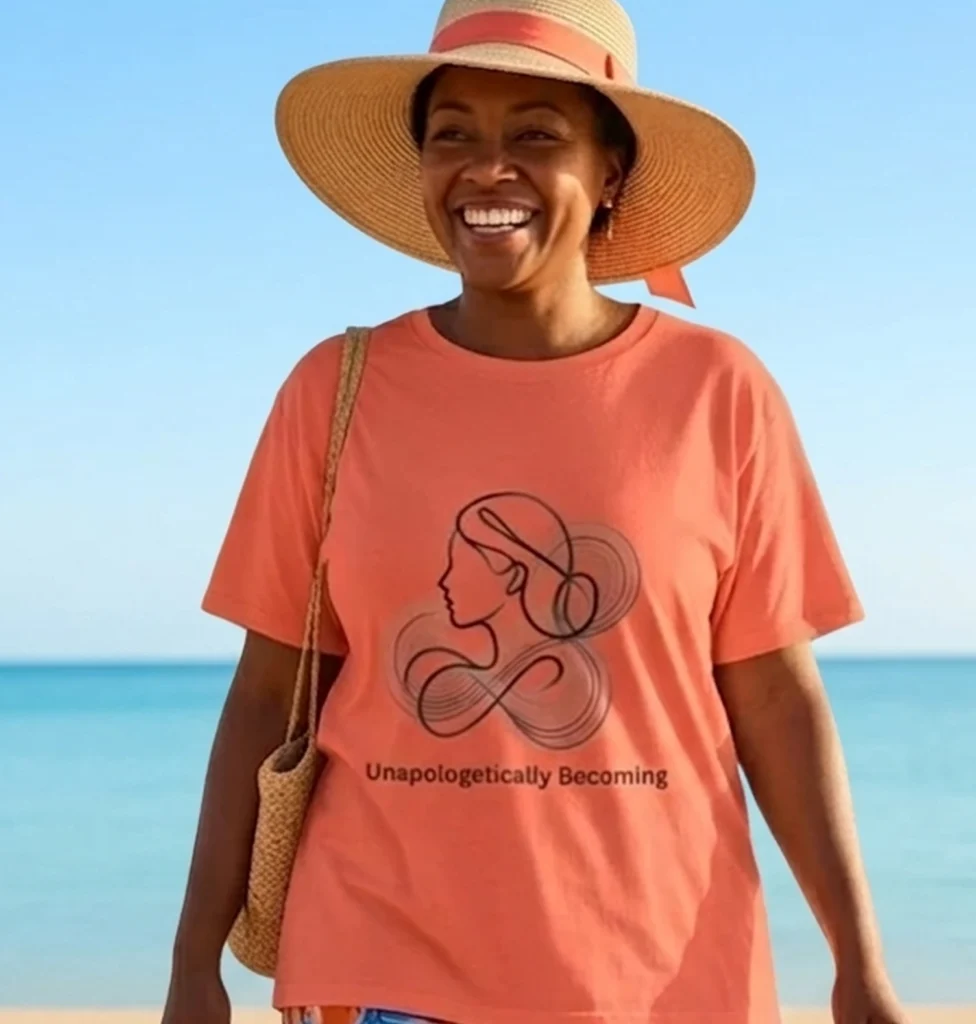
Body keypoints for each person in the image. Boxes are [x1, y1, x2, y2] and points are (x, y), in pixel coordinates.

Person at [162, 1, 910, 1023]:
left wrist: (857, 963)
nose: (487, 167)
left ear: (610, 173)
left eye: (536, 135)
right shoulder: (334, 391)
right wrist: (191, 962)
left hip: (661, 980)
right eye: (453, 133)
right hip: (382, 972)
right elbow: (264, 696)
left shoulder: (716, 391)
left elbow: (777, 704)